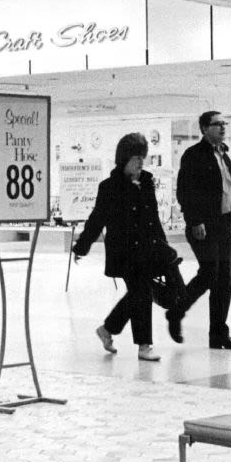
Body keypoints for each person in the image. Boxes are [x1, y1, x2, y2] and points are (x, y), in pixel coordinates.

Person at [72, 133, 185, 362]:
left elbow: (153, 218)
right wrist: (82, 246)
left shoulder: (147, 181)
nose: (140, 163)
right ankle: (144, 346)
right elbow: (97, 220)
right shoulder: (109, 187)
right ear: (124, 159)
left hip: (148, 249)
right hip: (123, 254)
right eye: (136, 158)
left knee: (137, 293)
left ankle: (107, 329)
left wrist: (165, 249)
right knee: (141, 293)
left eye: (142, 158)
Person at [172, 110, 231, 350]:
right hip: (203, 225)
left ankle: (218, 334)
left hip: (223, 225)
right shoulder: (194, 155)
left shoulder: (224, 155)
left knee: (225, 280)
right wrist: (194, 221)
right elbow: (185, 191)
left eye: (224, 123)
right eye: (217, 124)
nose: (222, 128)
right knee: (209, 274)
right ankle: (176, 311)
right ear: (204, 128)